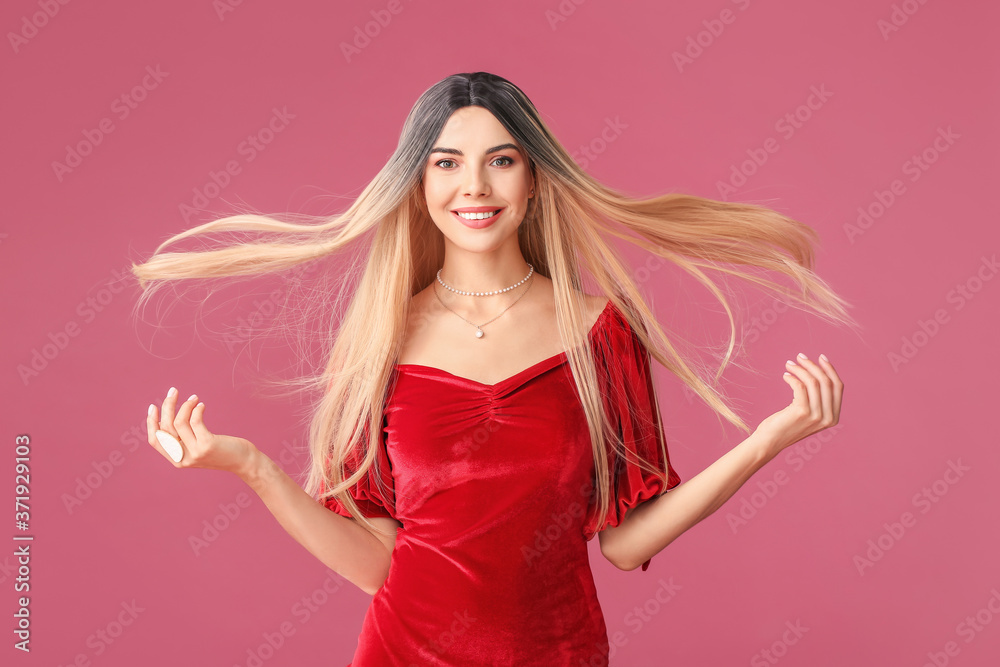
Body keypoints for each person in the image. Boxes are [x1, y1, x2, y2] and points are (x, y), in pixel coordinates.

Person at [131, 71, 851, 666]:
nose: (473, 186)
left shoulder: (599, 331)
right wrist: (251, 466)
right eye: (446, 162)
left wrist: (768, 440)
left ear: (535, 179)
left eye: (500, 160)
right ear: (418, 184)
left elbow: (626, 543)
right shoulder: (380, 339)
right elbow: (376, 567)